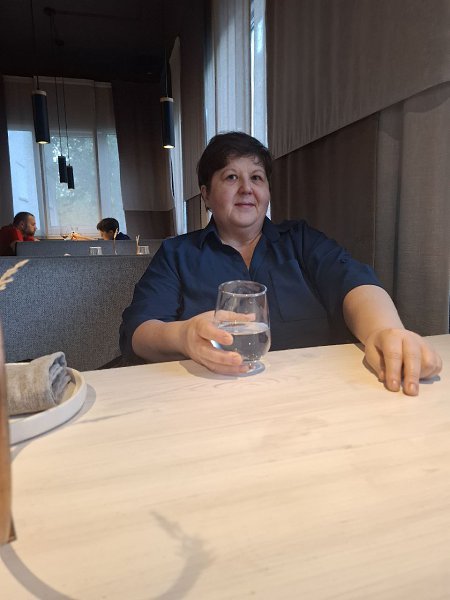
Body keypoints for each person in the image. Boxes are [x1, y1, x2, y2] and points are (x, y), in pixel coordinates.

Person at [120, 132, 442, 395]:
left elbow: (354, 283)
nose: (247, 188)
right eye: (231, 177)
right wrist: (183, 335)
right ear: (205, 194)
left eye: (256, 177)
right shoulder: (177, 254)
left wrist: (385, 331)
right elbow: (138, 332)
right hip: (212, 401)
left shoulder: (300, 240)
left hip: (314, 398)